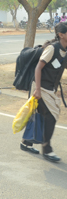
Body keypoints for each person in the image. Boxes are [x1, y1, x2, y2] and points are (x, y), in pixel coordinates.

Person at [20, 22, 67, 162]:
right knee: (51, 116)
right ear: (61, 35)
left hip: (51, 89)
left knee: (40, 115)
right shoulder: (52, 49)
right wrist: (38, 90)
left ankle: (26, 143)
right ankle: (47, 149)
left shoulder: (65, 50)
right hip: (40, 87)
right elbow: (38, 68)